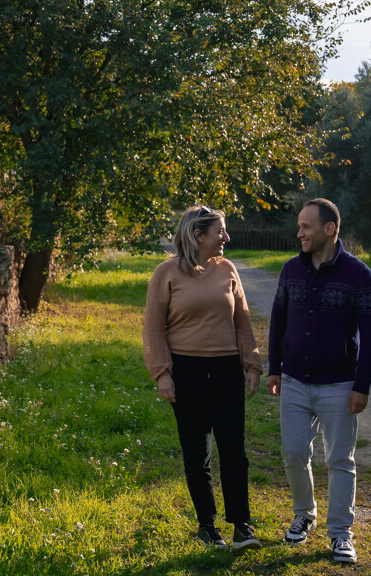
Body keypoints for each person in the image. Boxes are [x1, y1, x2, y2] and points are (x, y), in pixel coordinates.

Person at [266, 198, 371, 565]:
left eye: (305, 227)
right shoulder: (290, 271)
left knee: (340, 460)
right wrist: (274, 369)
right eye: (299, 226)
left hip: (339, 385)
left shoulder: (358, 275)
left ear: (329, 229)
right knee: (294, 452)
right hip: (294, 381)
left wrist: (361, 385)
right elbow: (277, 322)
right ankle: (304, 514)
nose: (298, 232)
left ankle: (340, 535)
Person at [143, 205, 264, 551]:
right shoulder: (166, 273)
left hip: (227, 371)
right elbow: (153, 330)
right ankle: (208, 526)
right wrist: (163, 374)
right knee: (198, 454)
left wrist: (252, 364)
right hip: (187, 373)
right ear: (198, 236)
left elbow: (242, 321)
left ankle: (242, 525)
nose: (226, 237)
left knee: (234, 450)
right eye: (220, 232)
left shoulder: (227, 269)